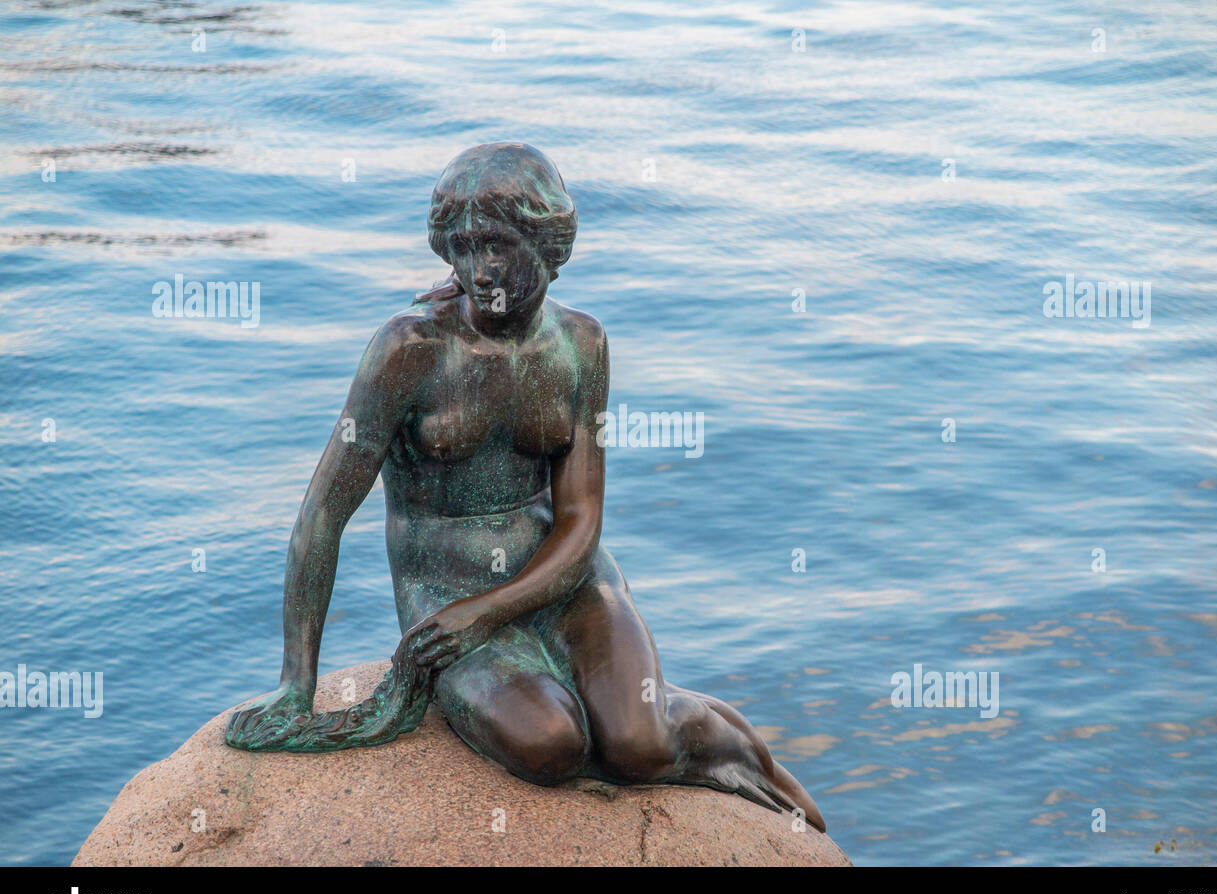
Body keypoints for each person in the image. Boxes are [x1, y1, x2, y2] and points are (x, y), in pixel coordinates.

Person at [226, 142, 824, 831]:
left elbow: (580, 521)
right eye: (462, 248)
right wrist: (296, 684)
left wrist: (490, 612)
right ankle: (608, 706)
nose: (479, 271)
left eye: (498, 247)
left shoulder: (581, 345)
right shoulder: (408, 351)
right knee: (552, 745)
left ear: (549, 244)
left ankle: (740, 750)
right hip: (447, 597)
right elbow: (321, 517)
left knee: (640, 742)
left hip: (565, 579)